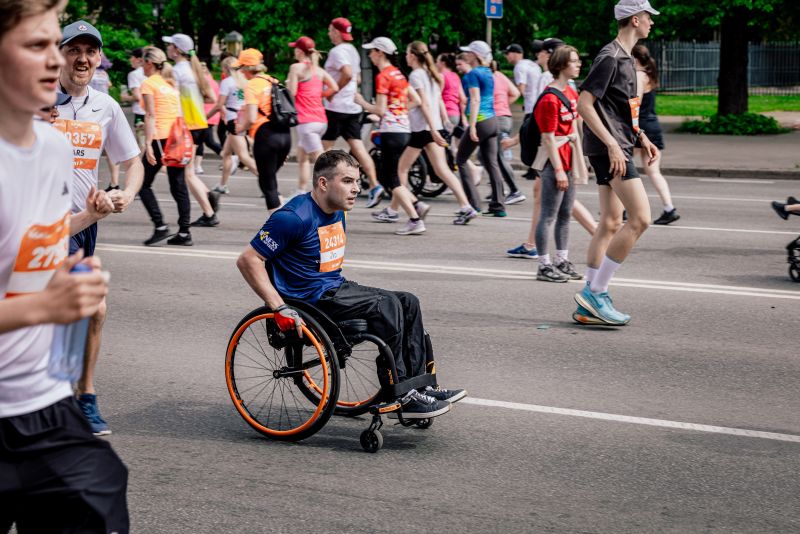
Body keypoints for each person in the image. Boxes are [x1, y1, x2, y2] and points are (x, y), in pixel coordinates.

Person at [0, 1, 128, 531]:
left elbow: (40, 241)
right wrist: (42, 307)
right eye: (37, 46)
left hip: (43, 403)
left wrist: (85, 218)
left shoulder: (53, 147)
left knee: (100, 498)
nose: (56, 61)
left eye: (57, 45)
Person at [236, 150, 466, 418]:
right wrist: (278, 307)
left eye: (357, 181)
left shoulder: (336, 209)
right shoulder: (293, 217)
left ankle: (420, 387)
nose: (356, 189)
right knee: (388, 305)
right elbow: (248, 259)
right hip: (311, 301)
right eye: (347, 181)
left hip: (334, 289)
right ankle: (401, 394)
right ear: (323, 183)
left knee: (408, 301)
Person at [56, 20, 144, 435]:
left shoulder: (105, 106)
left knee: (93, 311)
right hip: (39, 223)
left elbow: (133, 162)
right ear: (60, 54)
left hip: (83, 224)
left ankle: (84, 396)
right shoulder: (37, 101)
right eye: (75, 49)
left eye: (91, 51)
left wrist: (126, 192)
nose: (83, 58)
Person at [574, 0, 661, 326]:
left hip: (618, 144)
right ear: (636, 19)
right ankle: (596, 293)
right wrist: (612, 143)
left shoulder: (624, 57)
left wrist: (642, 137)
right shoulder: (611, 57)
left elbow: (620, 112)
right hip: (611, 150)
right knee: (640, 218)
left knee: (611, 221)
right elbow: (585, 104)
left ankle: (588, 298)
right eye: (649, 18)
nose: (652, 23)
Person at [399, 41, 477, 225]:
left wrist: (433, 129)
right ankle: (466, 206)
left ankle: (409, 207)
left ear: (412, 55)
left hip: (423, 128)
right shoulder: (433, 74)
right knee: (442, 169)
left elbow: (423, 103)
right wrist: (440, 124)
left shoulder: (417, 75)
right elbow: (436, 101)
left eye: (407, 53)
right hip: (434, 127)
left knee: (401, 169)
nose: (405, 56)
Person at [354, 37, 426, 235]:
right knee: (390, 176)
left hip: (391, 131)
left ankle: (415, 218)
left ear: (380, 53)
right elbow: (415, 100)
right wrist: (398, 112)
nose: (369, 56)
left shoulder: (384, 76)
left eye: (372, 52)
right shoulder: (399, 75)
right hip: (403, 129)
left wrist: (361, 102)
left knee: (389, 178)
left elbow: (379, 109)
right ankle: (415, 205)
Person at [532, 46, 585, 283]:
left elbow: (575, 125)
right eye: (574, 61)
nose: (579, 64)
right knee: (549, 215)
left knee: (565, 214)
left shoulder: (571, 93)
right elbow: (548, 138)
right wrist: (559, 170)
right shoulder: (550, 99)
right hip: (555, 164)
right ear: (562, 65)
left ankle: (561, 260)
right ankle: (544, 265)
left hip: (569, 160)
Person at [321, 17, 383, 208]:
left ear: (337, 32)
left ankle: (321, 191)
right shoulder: (353, 50)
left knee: (322, 150)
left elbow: (347, 74)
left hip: (336, 108)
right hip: (351, 107)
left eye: (331, 30)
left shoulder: (337, 51)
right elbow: (355, 77)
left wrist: (332, 91)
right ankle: (374, 185)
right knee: (358, 148)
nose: (328, 33)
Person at [138, 45, 195, 246]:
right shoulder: (169, 84)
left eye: (142, 62)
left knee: (142, 183)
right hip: (176, 137)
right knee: (178, 185)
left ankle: (160, 226)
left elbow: (151, 114)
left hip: (160, 137)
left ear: (150, 63)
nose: (141, 66)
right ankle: (185, 232)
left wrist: (148, 143)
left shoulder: (149, 84)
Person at [162, 33, 220, 228]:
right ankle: (208, 198)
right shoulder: (194, 70)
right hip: (200, 124)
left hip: (188, 126)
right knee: (190, 172)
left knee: (188, 174)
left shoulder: (177, 71)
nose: (168, 48)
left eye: (170, 45)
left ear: (177, 50)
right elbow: (211, 97)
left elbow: (172, 99)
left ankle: (209, 212)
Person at [235, 48, 292, 214]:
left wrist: (239, 128)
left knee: (268, 185)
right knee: (270, 182)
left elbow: (252, 117)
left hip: (266, 136)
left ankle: (280, 229)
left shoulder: (251, 85)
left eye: (241, 69)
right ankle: (284, 221)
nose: (241, 73)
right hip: (284, 135)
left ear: (246, 68)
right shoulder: (273, 81)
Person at [456, 41, 506, 217]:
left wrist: (472, 126)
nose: (466, 55)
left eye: (468, 52)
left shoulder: (474, 74)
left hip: (481, 121)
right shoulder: (488, 72)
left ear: (474, 55)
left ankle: (473, 204)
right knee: (492, 162)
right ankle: (498, 206)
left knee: (461, 159)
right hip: (493, 121)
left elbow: (475, 100)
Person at [632, 43, 679, 225]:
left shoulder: (639, 75)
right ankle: (669, 208)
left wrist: (632, 125)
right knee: (653, 171)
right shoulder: (650, 75)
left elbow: (635, 102)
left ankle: (624, 208)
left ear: (634, 59)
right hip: (653, 126)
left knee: (623, 166)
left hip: (641, 128)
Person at [287, 36, 339, 196]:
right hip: (320, 120)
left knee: (321, 161)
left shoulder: (296, 68)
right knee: (302, 158)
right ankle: (300, 191)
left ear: (299, 51)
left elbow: (292, 93)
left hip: (306, 122)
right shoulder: (319, 71)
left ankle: (335, 192)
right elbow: (335, 87)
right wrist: (318, 95)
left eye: (295, 48)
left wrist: (287, 83)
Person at [207, 56, 258, 194]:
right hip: (243, 116)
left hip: (233, 119)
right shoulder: (245, 81)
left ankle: (267, 183)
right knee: (227, 154)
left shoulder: (227, 82)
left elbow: (219, 104)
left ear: (225, 68)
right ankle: (222, 185)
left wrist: (205, 118)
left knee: (243, 156)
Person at [490, 59, 524, 205]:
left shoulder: (486, 77)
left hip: (496, 118)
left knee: (497, 156)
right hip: (506, 117)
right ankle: (498, 189)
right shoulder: (500, 75)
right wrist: (504, 105)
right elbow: (516, 93)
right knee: (487, 155)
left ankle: (515, 190)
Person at [197, 61, 223, 174]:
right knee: (203, 141)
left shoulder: (202, 82)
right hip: (212, 115)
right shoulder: (212, 81)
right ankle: (197, 165)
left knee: (206, 141)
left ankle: (229, 157)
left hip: (204, 115)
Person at [121, 47, 146, 152]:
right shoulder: (151, 72)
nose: (130, 59)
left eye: (132, 57)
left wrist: (125, 97)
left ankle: (145, 167)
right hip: (154, 111)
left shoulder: (134, 74)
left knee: (142, 142)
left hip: (140, 112)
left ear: (139, 59)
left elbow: (137, 97)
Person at [503, 43, 537, 118]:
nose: (506, 56)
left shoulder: (519, 67)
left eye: (507, 53)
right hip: (538, 103)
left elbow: (521, 88)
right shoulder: (531, 63)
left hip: (531, 106)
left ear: (515, 54)